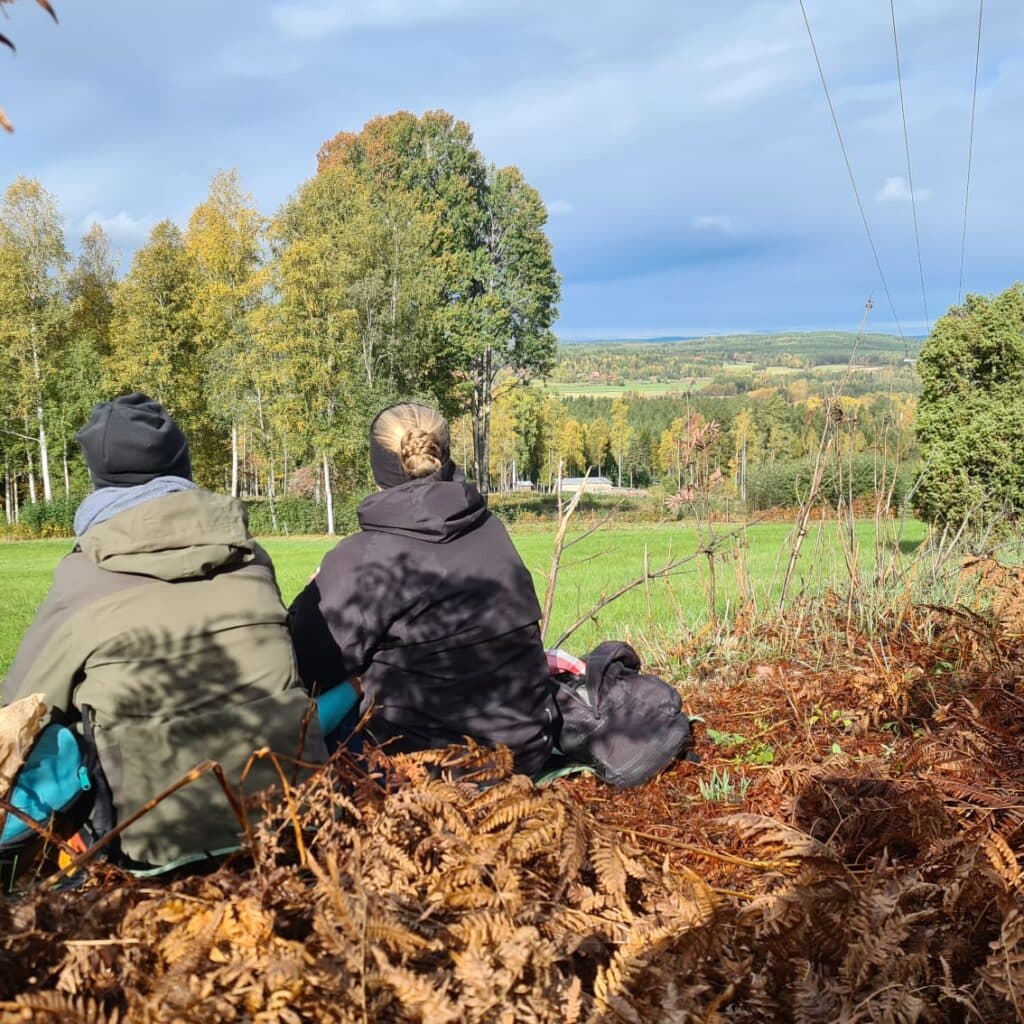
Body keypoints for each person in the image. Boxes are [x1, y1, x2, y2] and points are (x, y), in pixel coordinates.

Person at [2, 393, 326, 870]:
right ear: (182, 463)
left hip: (150, 846)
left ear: (98, 478)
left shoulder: (83, 575)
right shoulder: (253, 557)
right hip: (294, 824)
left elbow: (23, 704)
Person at [288, 402, 558, 776]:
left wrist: (312, 599)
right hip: (526, 755)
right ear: (444, 457)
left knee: (295, 721)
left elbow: (302, 668)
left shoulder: (364, 558)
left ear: (378, 467)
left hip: (423, 772)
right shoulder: (492, 531)